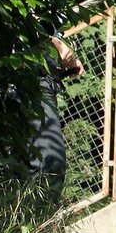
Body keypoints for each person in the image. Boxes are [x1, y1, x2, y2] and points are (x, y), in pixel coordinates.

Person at [30, 34, 84, 195]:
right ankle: (38, 215)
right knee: (50, 163)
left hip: (35, 79)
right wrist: (61, 47)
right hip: (31, 81)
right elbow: (31, 19)